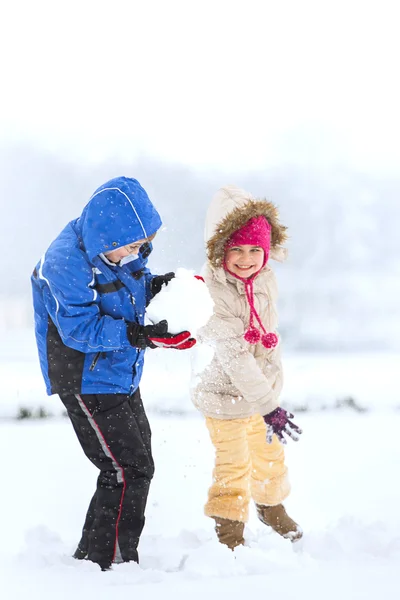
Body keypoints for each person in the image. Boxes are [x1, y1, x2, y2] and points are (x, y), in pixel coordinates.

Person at [31, 176, 195, 571]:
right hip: (85, 378)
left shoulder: (119, 248)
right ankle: (114, 562)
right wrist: (139, 335)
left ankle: (91, 556)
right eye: (134, 246)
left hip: (119, 371)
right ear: (107, 235)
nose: (139, 253)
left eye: (143, 245)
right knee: (126, 468)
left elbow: (128, 291)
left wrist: (161, 289)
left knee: (135, 464)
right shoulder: (65, 262)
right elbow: (79, 328)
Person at [191, 185, 302, 550]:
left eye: (255, 249)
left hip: (261, 393)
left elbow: (265, 332)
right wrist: (270, 406)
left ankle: (271, 507)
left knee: (270, 455)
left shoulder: (265, 277)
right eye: (235, 249)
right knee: (234, 464)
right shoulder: (212, 292)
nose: (246, 258)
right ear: (219, 250)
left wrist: (269, 395)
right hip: (224, 395)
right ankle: (229, 530)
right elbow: (235, 357)